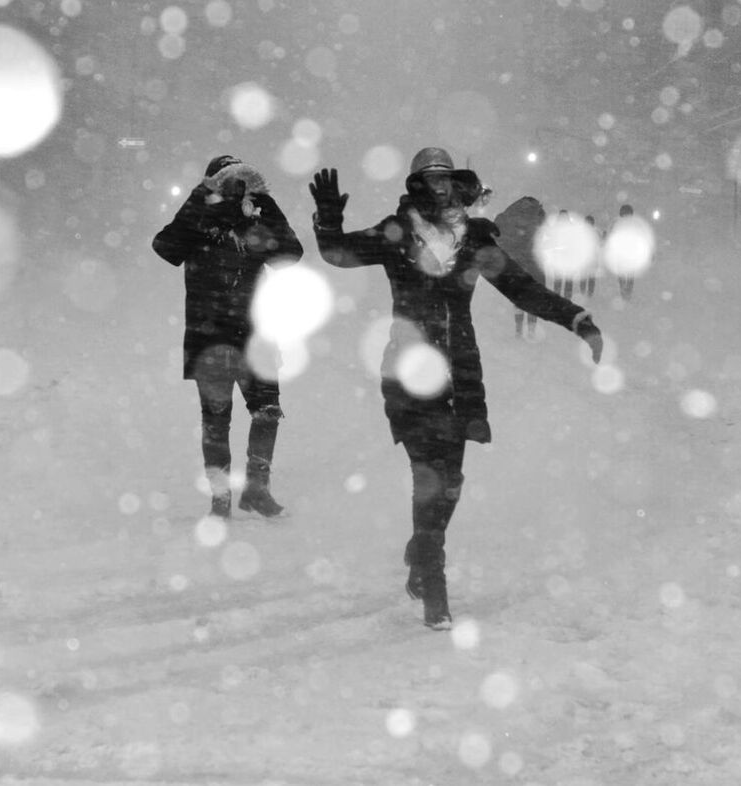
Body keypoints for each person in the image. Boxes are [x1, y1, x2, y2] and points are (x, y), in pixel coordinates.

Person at [311, 148, 604, 630]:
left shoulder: (473, 242)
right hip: (407, 371)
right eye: (431, 179)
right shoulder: (397, 233)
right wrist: (327, 218)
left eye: (446, 178)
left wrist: (578, 319)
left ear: (457, 184)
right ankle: (435, 592)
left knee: (450, 484)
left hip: (460, 376)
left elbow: (522, 288)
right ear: (417, 185)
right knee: (428, 480)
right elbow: (338, 254)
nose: (440, 186)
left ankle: (420, 553)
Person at [152, 155, 303, 519]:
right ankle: (220, 500)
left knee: (267, 411)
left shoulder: (256, 218)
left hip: (256, 336)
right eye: (224, 181)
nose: (234, 188)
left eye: (240, 181)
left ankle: (256, 488)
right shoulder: (199, 219)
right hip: (209, 336)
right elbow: (165, 247)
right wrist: (200, 201)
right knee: (217, 420)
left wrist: (266, 208)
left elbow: (290, 254)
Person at [492, 195, 549, 339]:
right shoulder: (538, 217)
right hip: (534, 263)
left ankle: (518, 328)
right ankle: (530, 329)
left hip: (516, 262)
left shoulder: (511, 214)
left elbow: (498, 231)